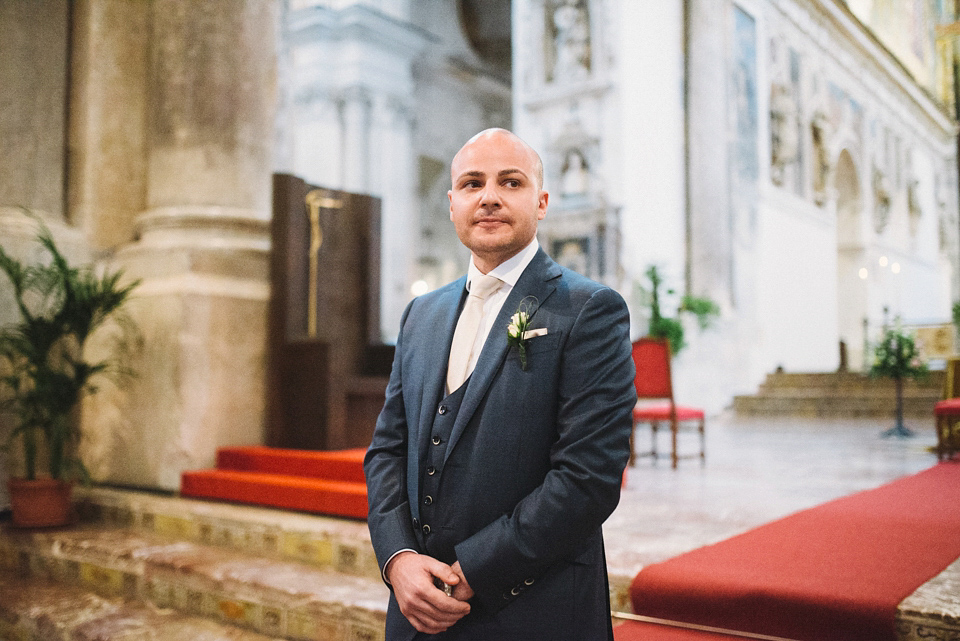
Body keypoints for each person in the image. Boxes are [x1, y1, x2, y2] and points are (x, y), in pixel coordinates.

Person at [364, 128, 636, 640]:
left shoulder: (589, 310)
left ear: (541, 201)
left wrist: (478, 568)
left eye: (510, 182)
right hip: (417, 606)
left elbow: (588, 477)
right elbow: (386, 451)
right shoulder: (421, 314)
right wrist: (399, 560)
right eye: (471, 184)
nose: (488, 196)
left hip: (532, 606)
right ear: (452, 205)